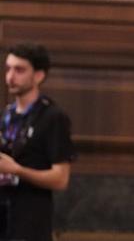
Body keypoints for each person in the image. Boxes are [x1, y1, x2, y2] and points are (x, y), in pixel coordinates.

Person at [0, 43, 75, 241]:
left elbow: (60, 179)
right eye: (8, 68)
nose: (10, 76)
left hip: (30, 223)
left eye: (19, 70)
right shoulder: (7, 115)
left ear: (39, 75)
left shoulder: (52, 117)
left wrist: (17, 170)